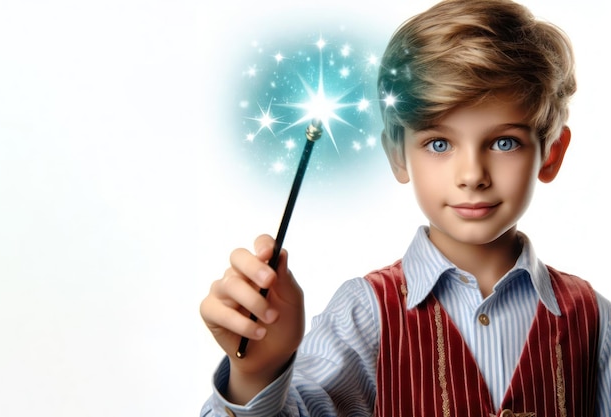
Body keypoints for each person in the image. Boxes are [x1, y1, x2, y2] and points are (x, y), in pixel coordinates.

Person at [199, 0, 611, 415]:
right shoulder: (366, 313)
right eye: (439, 143)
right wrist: (256, 372)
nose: (472, 175)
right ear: (398, 155)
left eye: (505, 142)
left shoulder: (595, 319)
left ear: (551, 154)